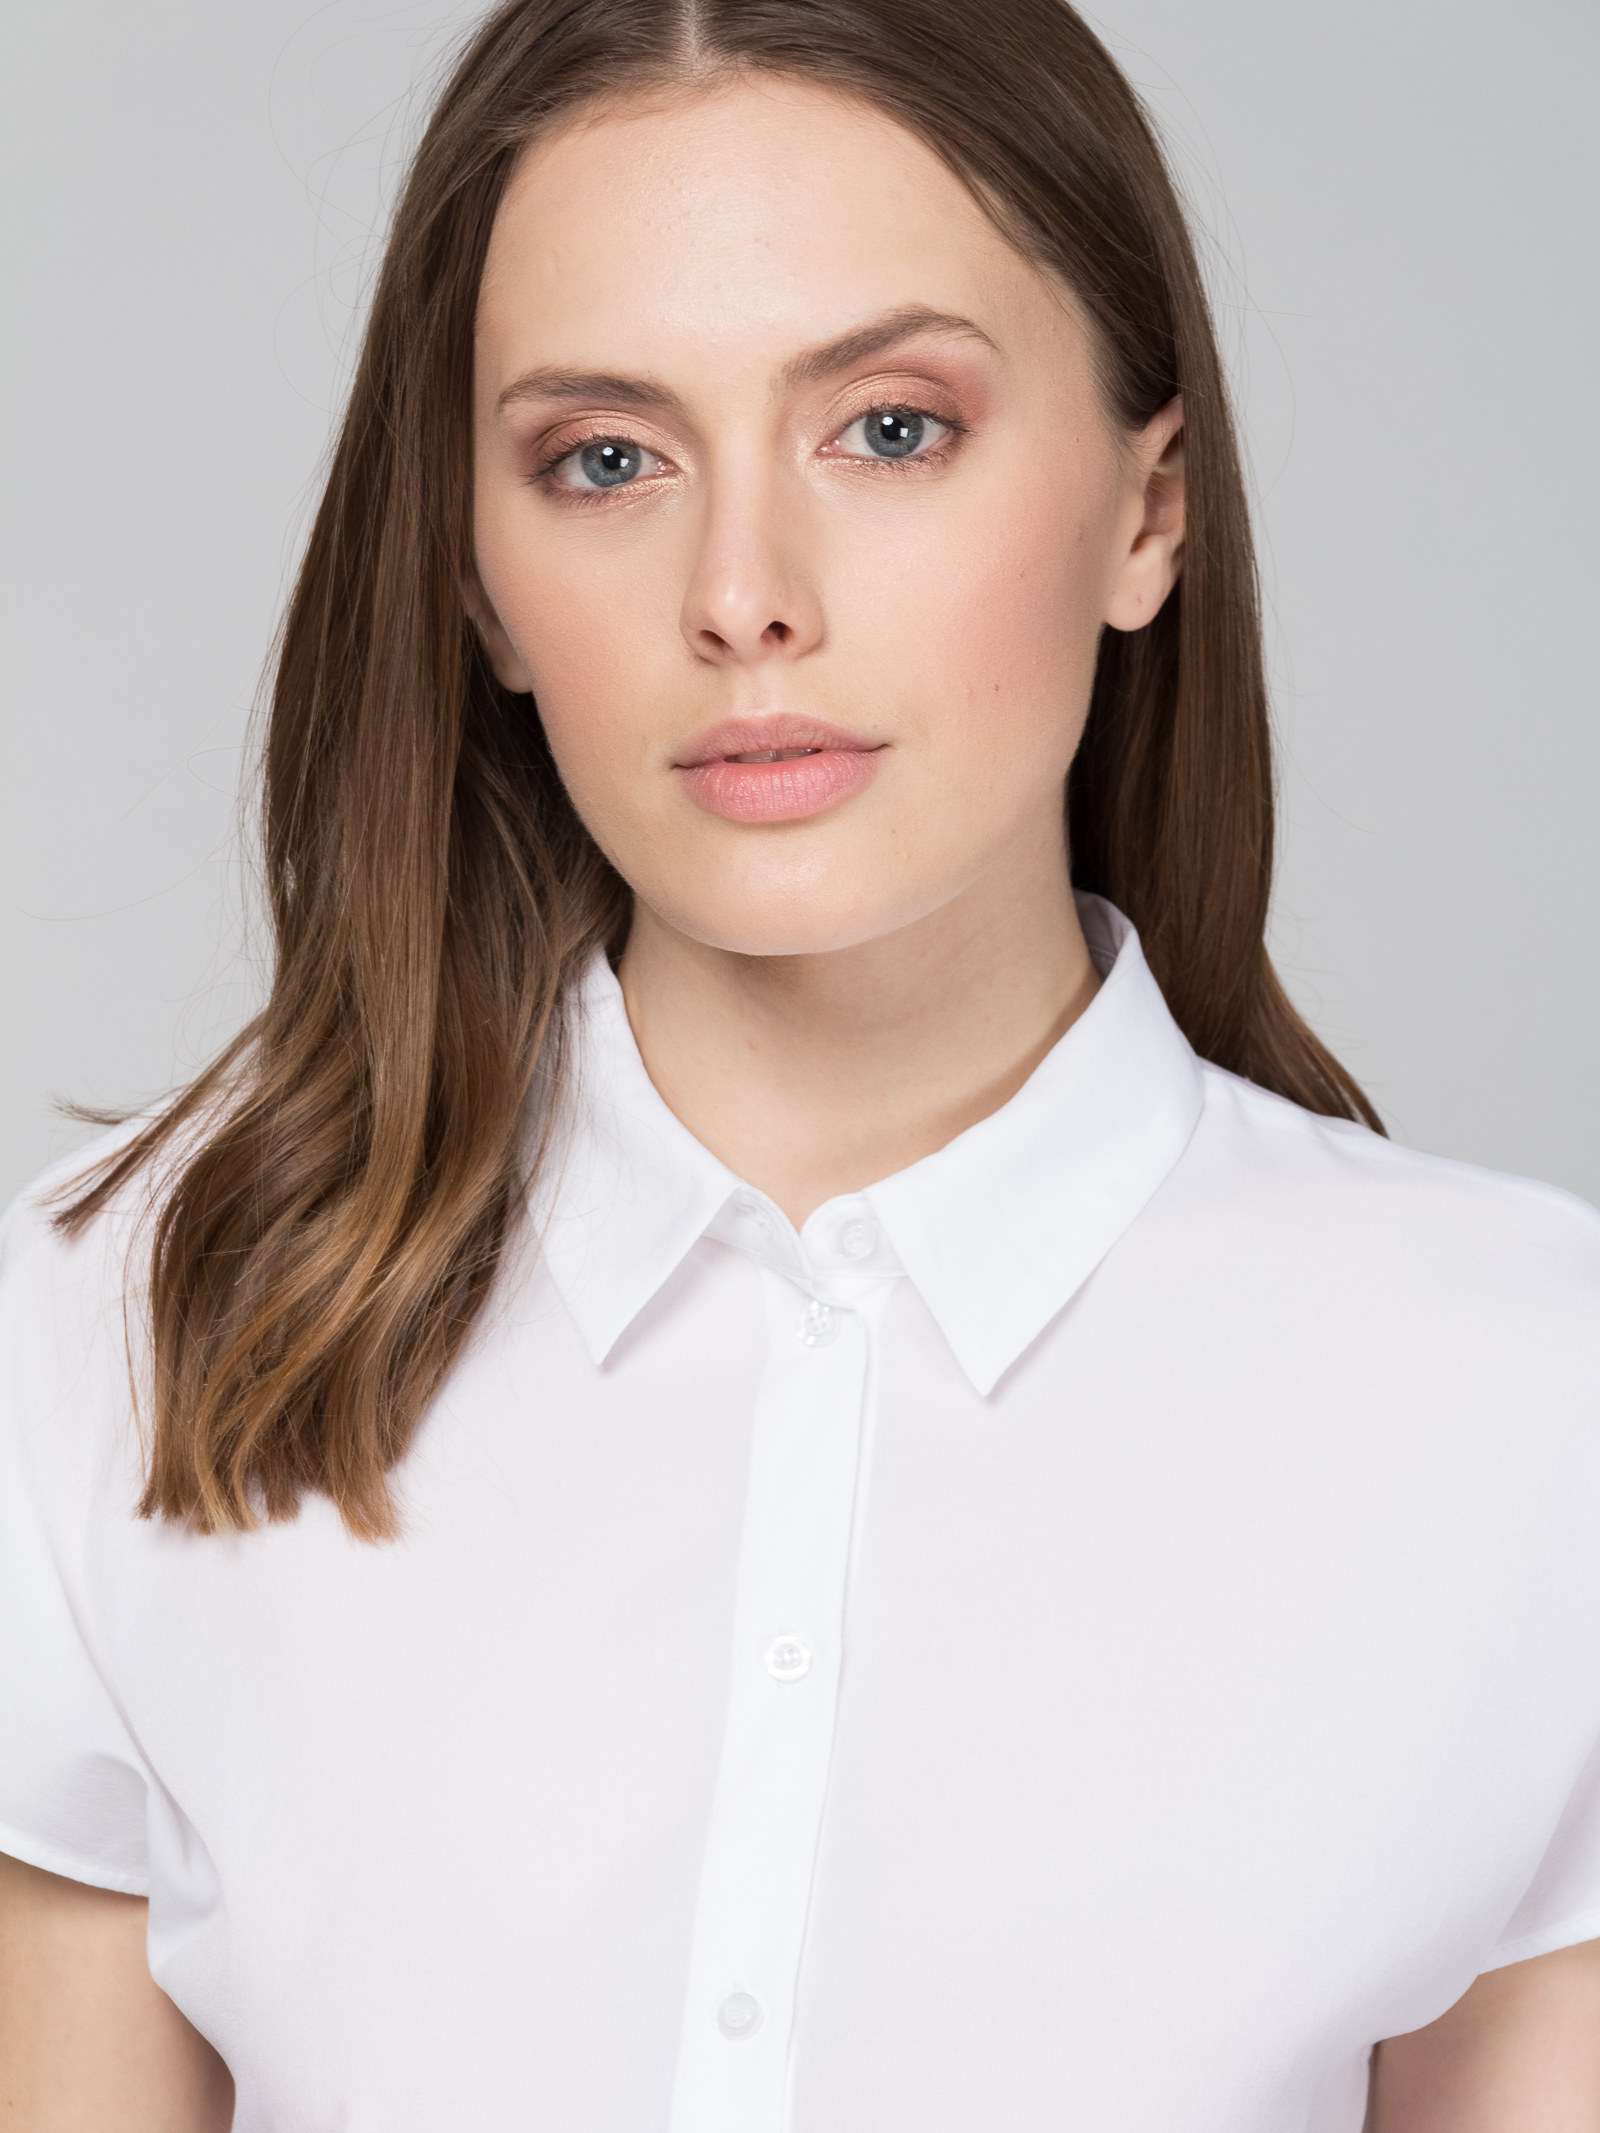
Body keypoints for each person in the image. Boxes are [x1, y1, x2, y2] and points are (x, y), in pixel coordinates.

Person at [1, 0, 1597, 2126]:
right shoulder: (123, 1325)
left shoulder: (1527, 1405)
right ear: (478, 580)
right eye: (606, 459)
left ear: (1149, 510)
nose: (741, 594)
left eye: (890, 428)